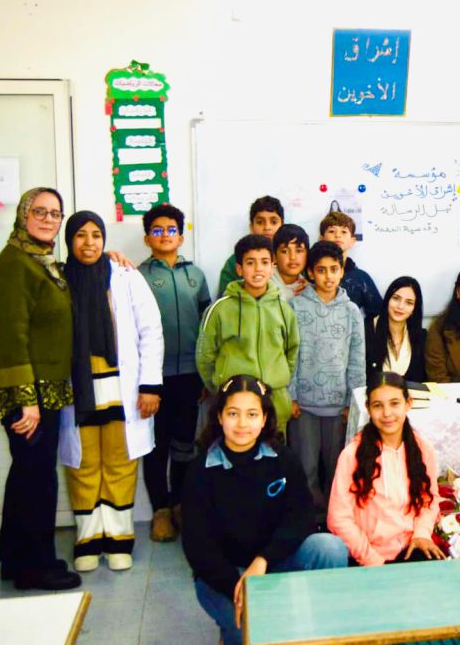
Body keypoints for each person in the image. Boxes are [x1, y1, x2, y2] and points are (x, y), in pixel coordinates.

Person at [182, 375, 348, 645]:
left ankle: (310, 624)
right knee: (249, 630)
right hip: (225, 576)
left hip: (272, 563)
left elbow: (302, 517)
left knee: (330, 548)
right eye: (233, 413)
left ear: (264, 418)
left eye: (252, 414)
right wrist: (237, 588)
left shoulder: (283, 459)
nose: (242, 423)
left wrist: (263, 560)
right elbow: (198, 547)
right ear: (220, 417)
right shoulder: (200, 471)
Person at [0, 187, 82, 591]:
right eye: (40, 211)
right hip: (28, 393)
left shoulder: (38, 261)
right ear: (23, 215)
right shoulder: (13, 266)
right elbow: (10, 337)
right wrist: (26, 401)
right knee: (37, 477)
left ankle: (14, 557)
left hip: (43, 389)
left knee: (27, 472)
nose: (48, 219)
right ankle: (36, 566)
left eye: (55, 213)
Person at [58, 211, 164, 572]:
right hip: (79, 389)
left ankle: (119, 539)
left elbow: (150, 330)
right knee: (84, 466)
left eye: (96, 235)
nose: (89, 243)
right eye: (80, 235)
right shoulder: (59, 279)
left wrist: (149, 385)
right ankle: (88, 540)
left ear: (104, 239)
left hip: (121, 387)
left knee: (120, 464)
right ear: (69, 240)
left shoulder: (125, 275)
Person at [138, 203, 212, 542]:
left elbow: (207, 327)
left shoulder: (195, 275)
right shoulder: (137, 276)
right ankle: (161, 510)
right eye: (157, 230)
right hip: (154, 379)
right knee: (157, 446)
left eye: (171, 230)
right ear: (147, 238)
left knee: (185, 443)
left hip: (190, 376)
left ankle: (181, 504)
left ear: (181, 236)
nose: (165, 235)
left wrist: (205, 374)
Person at [327, 372, 444, 566]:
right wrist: (373, 560)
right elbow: (339, 518)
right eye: (378, 406)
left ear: (408, 403)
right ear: (368, 408)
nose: (387, 413)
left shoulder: (423, 449)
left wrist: (422, 534)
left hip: (412, 547)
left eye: (394, 403)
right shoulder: (352, 455)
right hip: (368, 556)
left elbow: (429, 500)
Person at [289, 240, 366, 520]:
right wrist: (291, 395)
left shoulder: (351, 311)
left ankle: (335, 520)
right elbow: (289, 354)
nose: (328, 276)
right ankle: (308, 519)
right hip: (304, 405)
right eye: (321, 270)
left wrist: (352, 402)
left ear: (342, 271)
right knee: (306, 465)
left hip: (338, 406)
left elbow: (357, 358)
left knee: (337, 467)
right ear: (310, 273)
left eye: (334, 269)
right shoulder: (295, 307)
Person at [197, 234, 299, 431]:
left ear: (272, 266)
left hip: (275, 403)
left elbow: (291, 352)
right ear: (239, 269)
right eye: (250, 263)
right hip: (234, 402)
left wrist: (278, 378)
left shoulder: (284, 309)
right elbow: (205, 357)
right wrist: (221, 387)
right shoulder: (220, 309)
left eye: (264, 262)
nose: (258, 269)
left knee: (272, 450)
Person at [319, 211, 382, 318]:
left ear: (352, 241)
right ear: (321, 239)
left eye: (344, 232)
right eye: (332, 231)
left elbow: (379, 314)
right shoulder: (311, 275)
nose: (338, 235)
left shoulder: (361, 278)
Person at [216, 195, 284, 295]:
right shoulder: (235, 261)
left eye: (273, 222)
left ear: (282, 226)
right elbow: (225, 297)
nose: (267, 227)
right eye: (260, 222)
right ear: (251, 228)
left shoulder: (292, 259)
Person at [365, 276, 426, 382]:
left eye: (409, 303)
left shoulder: (421, 337)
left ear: (414, 309)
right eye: (396, 298)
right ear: (387, 300)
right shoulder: (366, 330)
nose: (400, 306)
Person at [271, 223, 310, 300]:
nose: (292, 257)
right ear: (274, 257)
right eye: (285, 251)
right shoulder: (264, 281)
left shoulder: (306, 288)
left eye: (299, 251)